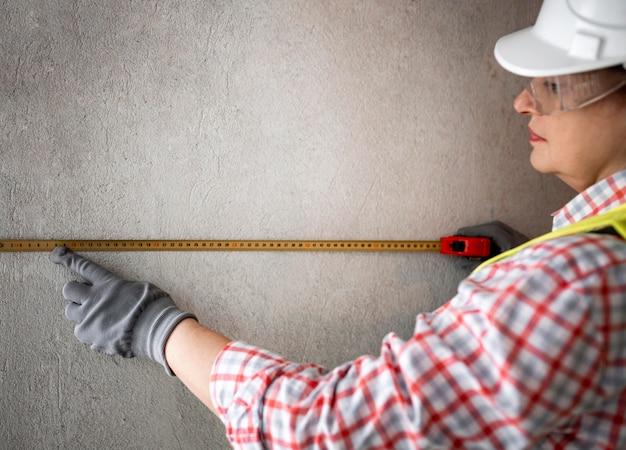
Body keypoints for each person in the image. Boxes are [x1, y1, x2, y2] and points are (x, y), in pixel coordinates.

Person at [51, 1, 626, 448]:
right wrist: (530, 278)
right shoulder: (588, 268)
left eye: (555, 83)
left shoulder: (580, 282)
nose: (525, 103)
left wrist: (159, 330)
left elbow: (322, 433)